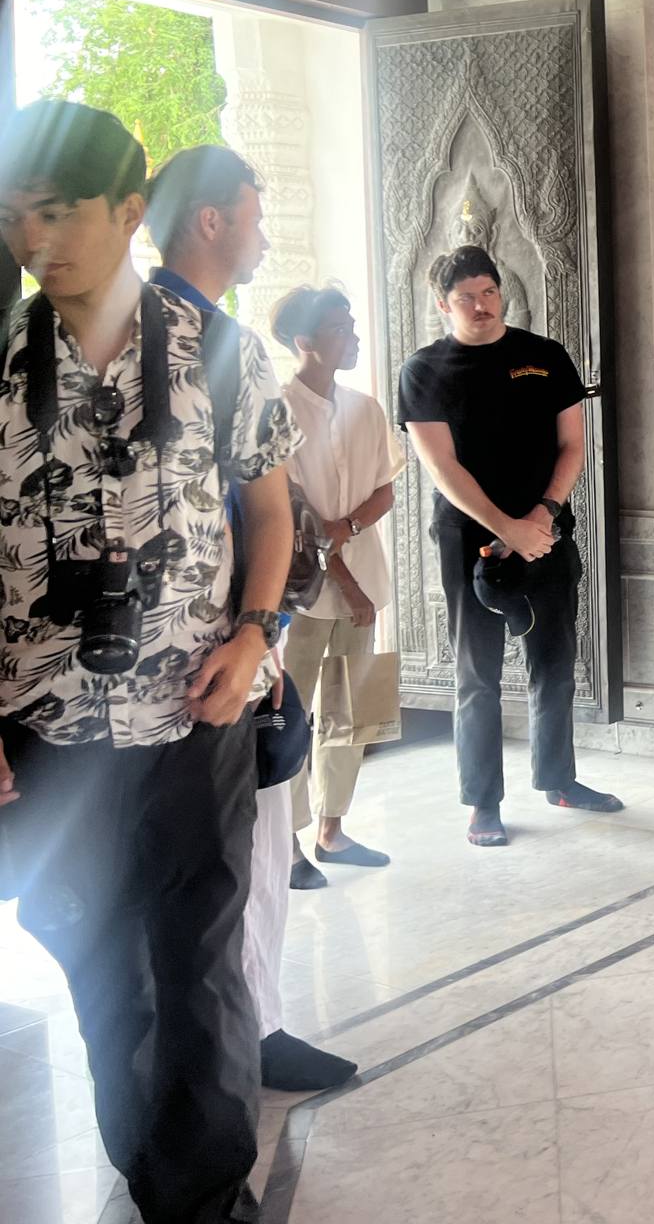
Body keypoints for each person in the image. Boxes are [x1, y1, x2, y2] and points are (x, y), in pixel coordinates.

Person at [0, 101, 299, 1221]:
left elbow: (272, 513)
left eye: (58, 211)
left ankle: (206, 1199)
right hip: (46, 726)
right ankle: (149, 1170)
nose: (35, 238)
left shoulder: (220, 350)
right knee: (96, 956)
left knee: (199, 960)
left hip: (194, 710)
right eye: (16, 215)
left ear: (129, 210)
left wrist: (255, 633)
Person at [143, 143, 356, 1093]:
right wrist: (256, 636)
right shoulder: (212, 342)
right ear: (211, 221)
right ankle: (252, 1031)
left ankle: (202, 1044)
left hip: (189, 648)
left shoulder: (133, 333)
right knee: (252, 853)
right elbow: (253, 512)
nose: (263, 236)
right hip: (221, 649)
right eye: (254, 216)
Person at [395, 244, 619, 845]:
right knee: (478, 674)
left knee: (555, 663)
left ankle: (560, 780)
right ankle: (483, 803)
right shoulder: (423, 370)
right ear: (443, 305)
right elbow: (442, 466)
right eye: (466, 297)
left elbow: (573, 444)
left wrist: (542, 515)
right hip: (469, 538)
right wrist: (505, 527)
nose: (481, 305)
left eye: (489, 292)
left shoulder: (544, 356)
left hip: (545, 530)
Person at [273, 284, 403, 875]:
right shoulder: (277, 409)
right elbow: (298, 515)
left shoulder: (366, 408)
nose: (352, 336)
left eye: (352, 325)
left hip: (365, 583)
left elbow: (384, 491)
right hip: (303, 593)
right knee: (291, 717)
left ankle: (333, 831)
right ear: (304, 340)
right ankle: (288, 842)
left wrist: (347, 528)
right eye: (339, 328)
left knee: (354, 710)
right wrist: (345, 581)